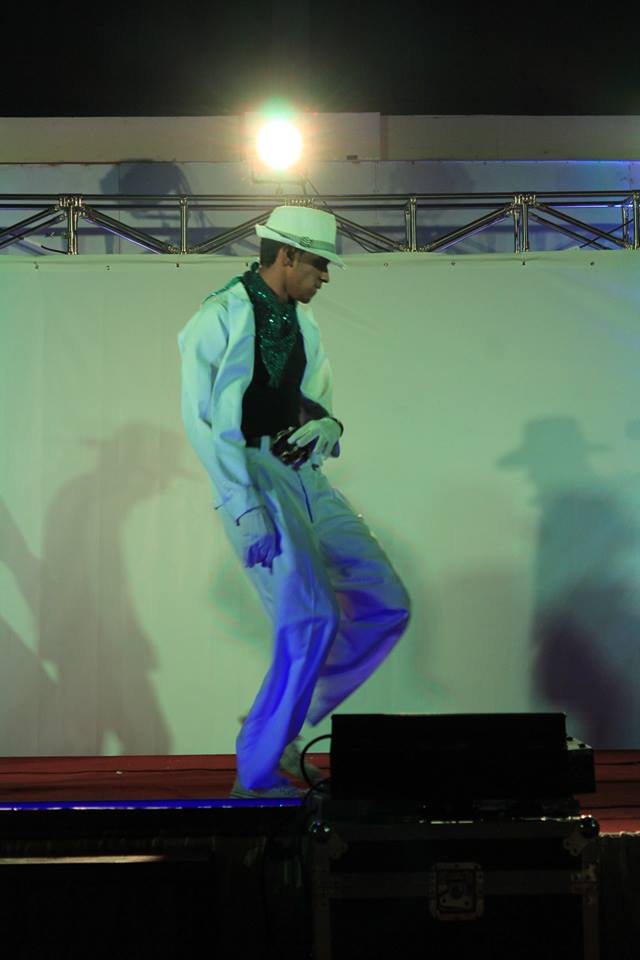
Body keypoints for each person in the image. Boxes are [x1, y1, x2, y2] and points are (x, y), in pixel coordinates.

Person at [178, 205, 410, 798]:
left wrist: (330, 424)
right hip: (255, 473)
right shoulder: (218, 316)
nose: (325, 276)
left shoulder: (302, 319)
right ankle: (257, 774)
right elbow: (202, 420)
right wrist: (243, 505)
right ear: (286, 256)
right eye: (318, 264)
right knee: (310, 618)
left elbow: (310, 397)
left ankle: (281, 722)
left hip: (305, 473)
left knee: (386, 603)